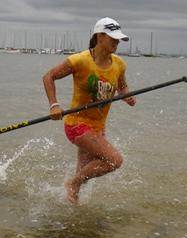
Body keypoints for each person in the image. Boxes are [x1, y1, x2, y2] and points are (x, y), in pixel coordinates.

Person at [43, 17, 136, 204]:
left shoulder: (119, 64)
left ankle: (71, 210)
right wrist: (54, 105)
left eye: (118, 39)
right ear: (99, 36)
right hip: (77, 124)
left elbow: (122, 86)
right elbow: (49, 77)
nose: (117, 42)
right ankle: (73, 183)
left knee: (83, 174)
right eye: (113, 38)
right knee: (114, 160)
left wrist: (127, 96)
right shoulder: (80, 60)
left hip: (98, 127)